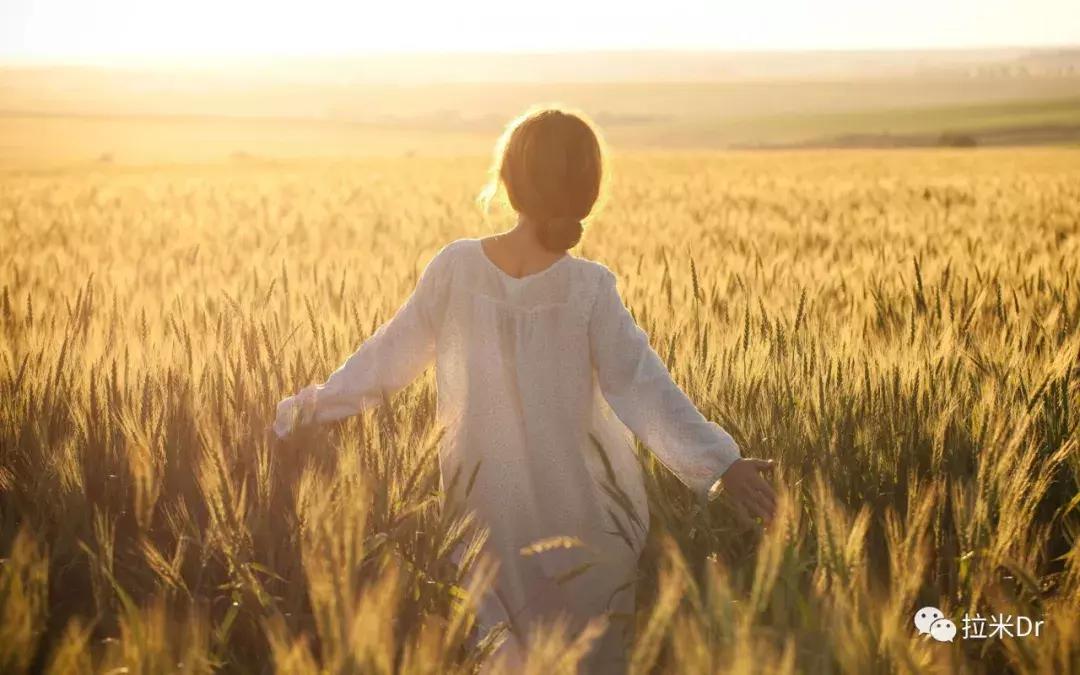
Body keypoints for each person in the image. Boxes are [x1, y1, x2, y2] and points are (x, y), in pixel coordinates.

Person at [273, 105, 777, 673]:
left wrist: (306, 410)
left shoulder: (456, 268)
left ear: (509, 182)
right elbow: (643, 389)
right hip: (590, 522)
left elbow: (386, 359)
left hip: (484, 520)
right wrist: (721, 465)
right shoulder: (589, 288)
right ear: (587, 193)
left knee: (497, 660)